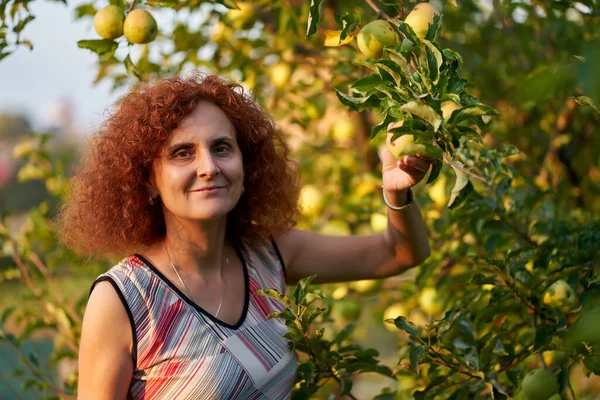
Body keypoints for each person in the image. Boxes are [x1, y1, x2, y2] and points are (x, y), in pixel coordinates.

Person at [59, 73, 432, 400]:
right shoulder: (124, 300)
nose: (209, 167)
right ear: (149, 182)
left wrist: (396, 193)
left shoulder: (269, 254)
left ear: (245, 165)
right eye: (182, 153)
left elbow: (397, 253)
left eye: (221, 148)